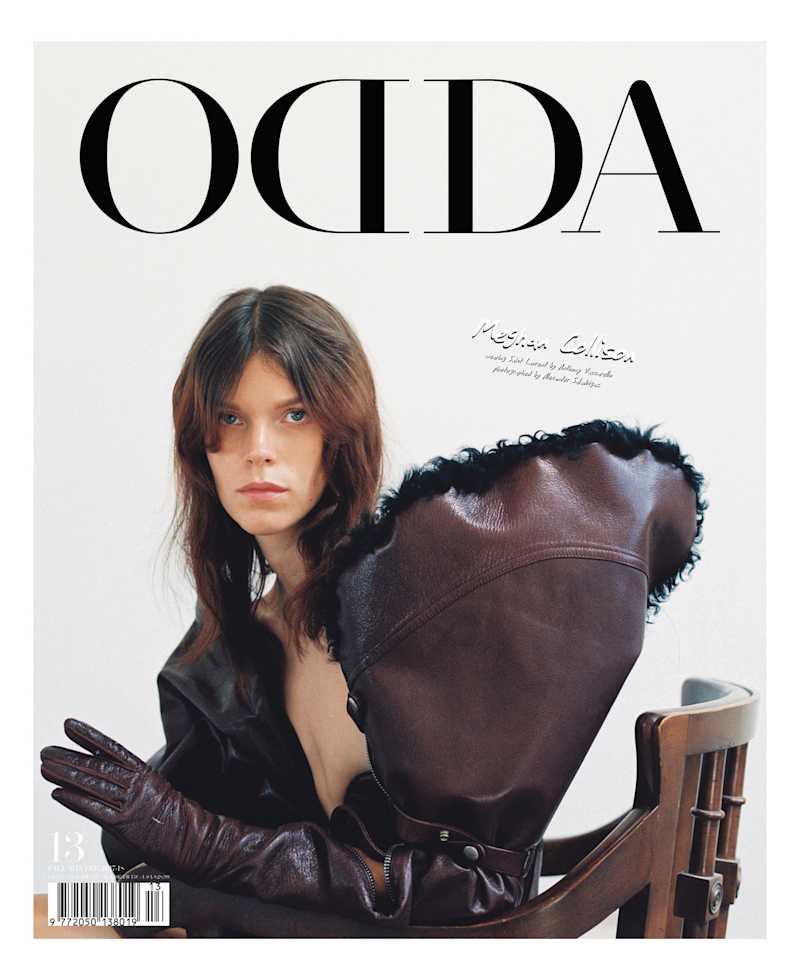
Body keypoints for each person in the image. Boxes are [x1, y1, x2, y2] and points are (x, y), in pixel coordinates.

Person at [37, 284, 390, 937]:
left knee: (57, 922)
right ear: (200, 447)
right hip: (259, 924)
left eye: (294, 414)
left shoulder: (399, 616)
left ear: (342, 431)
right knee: (46, 910)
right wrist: (159, 879)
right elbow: (165, 869)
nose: (259, 448)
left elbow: (422, 886)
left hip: (382, 943)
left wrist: (193, 842)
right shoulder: (240, 641)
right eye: (230, 418)